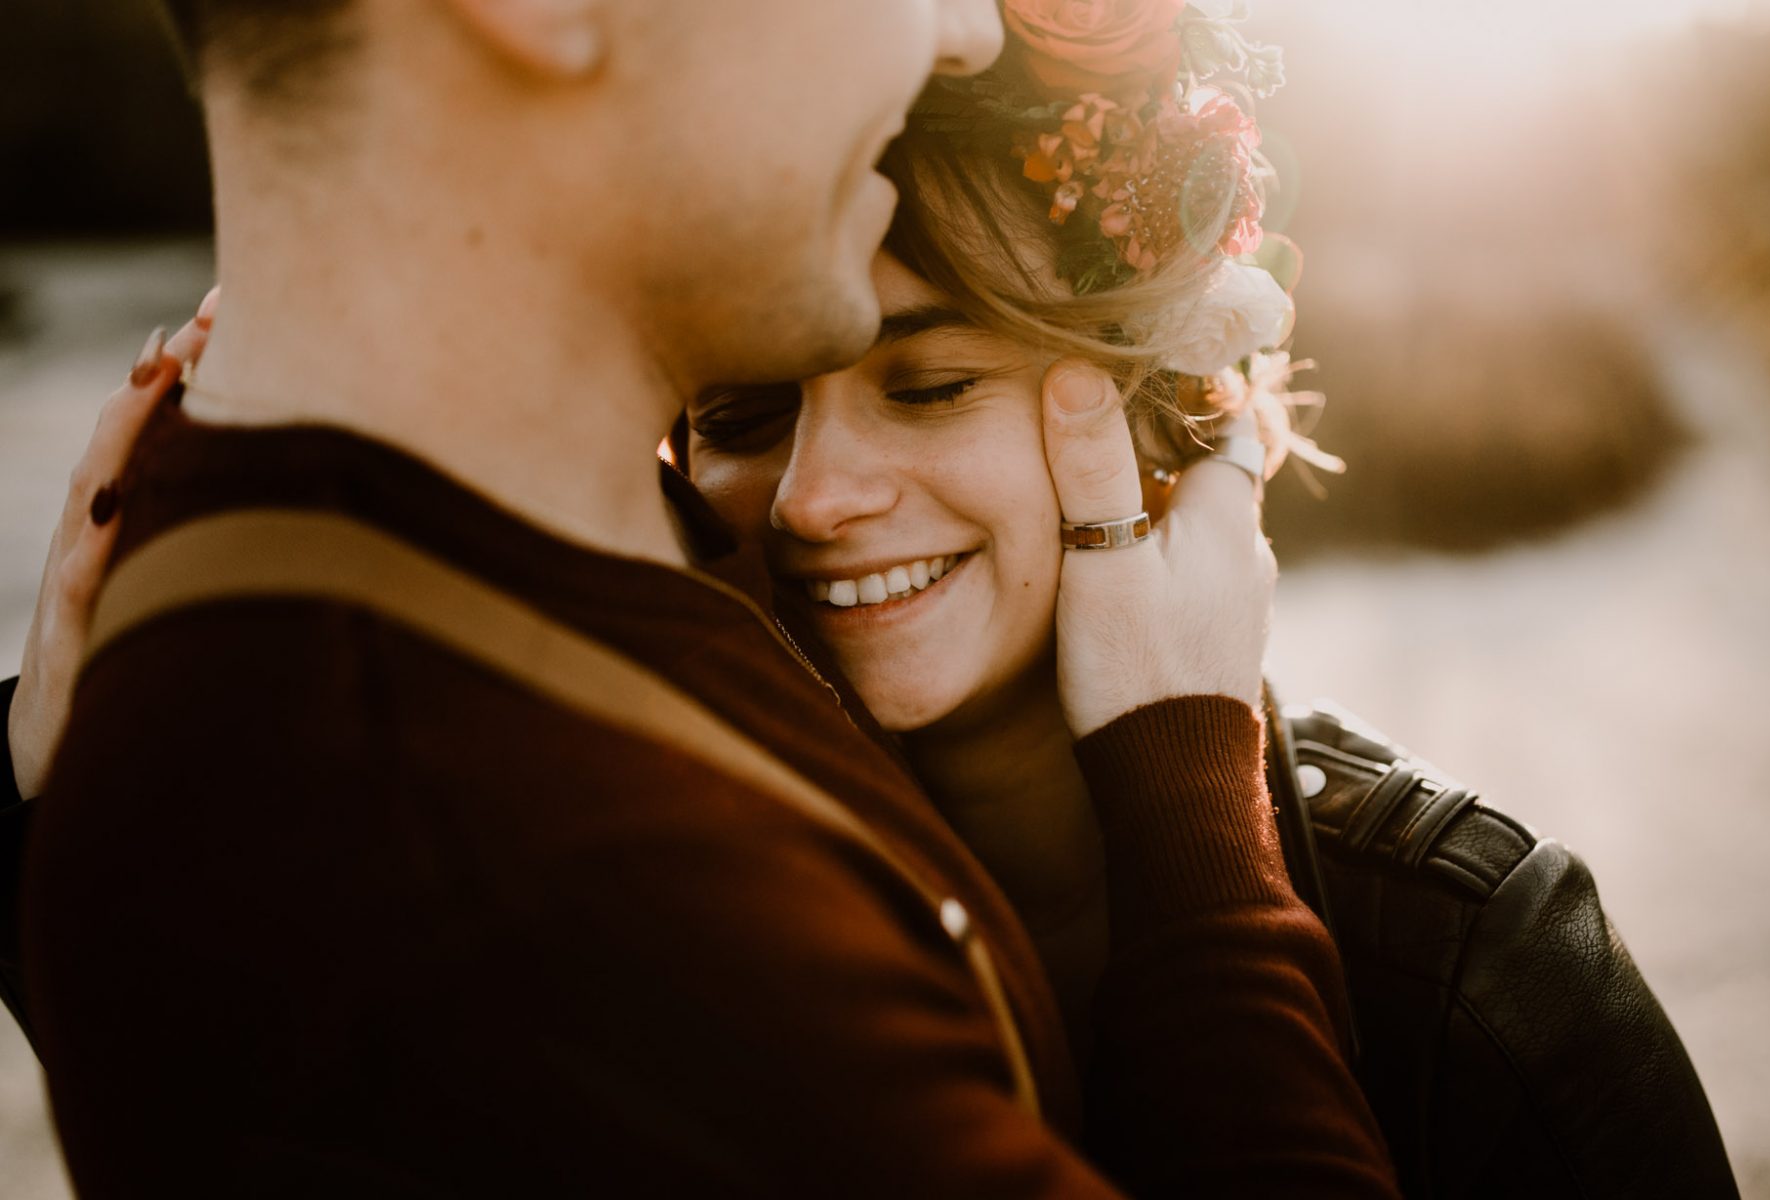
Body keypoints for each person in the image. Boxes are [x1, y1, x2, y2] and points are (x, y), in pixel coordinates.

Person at [0, 1, 1399, 1195]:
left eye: (933, 386)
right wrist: (1198, 822)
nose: (971, 24)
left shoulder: (286, 631)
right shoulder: (551, 888)